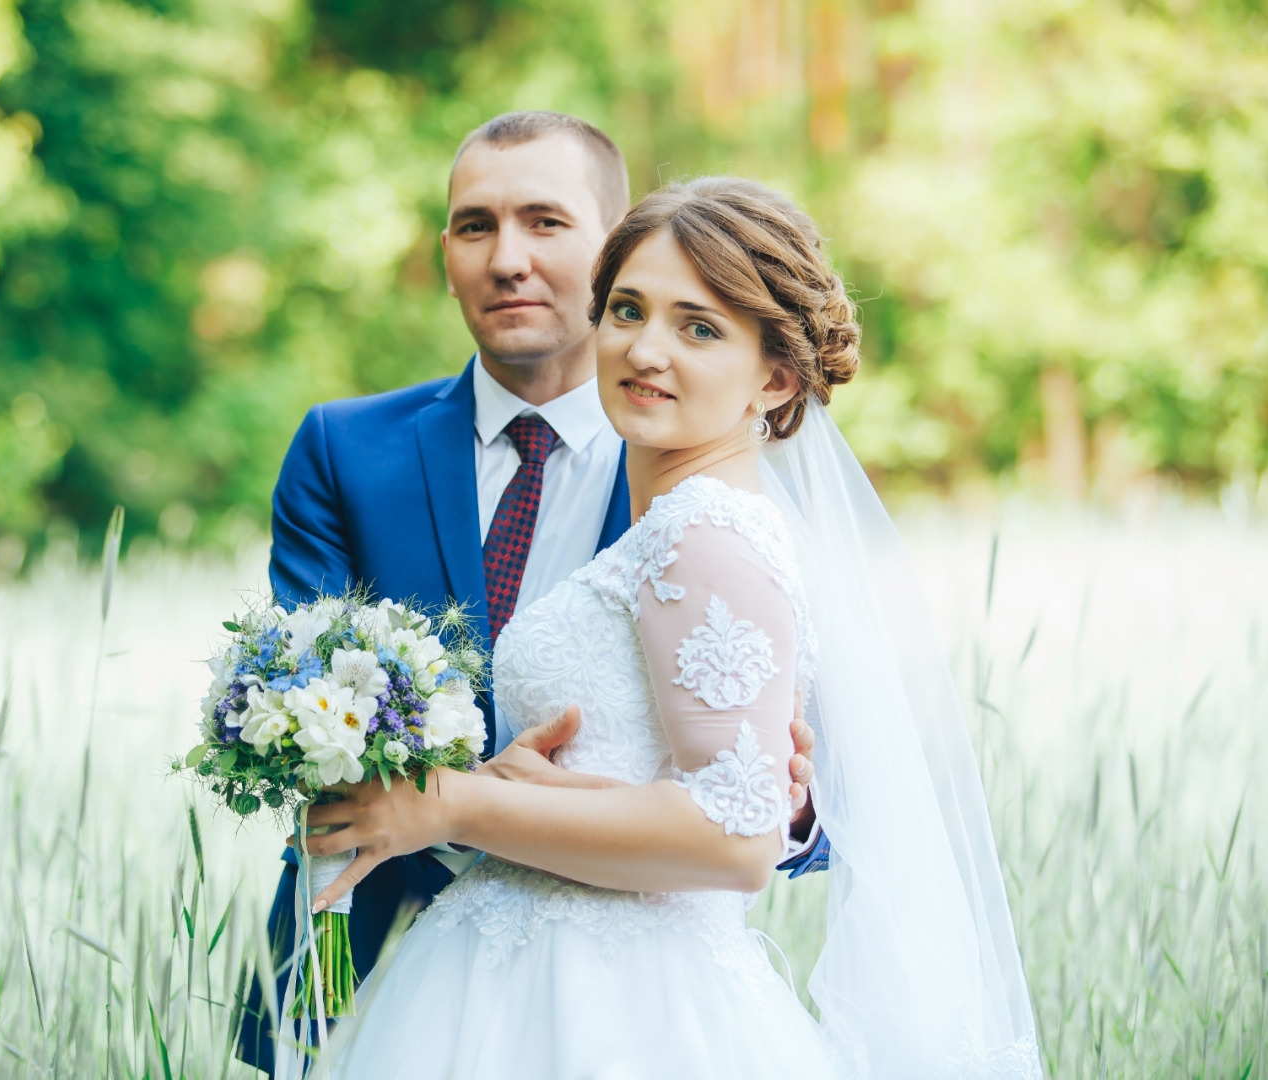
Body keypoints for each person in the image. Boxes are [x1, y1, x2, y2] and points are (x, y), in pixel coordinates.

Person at [296, 179, 1042, 1077]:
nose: (645, 349)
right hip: (528, 979)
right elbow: (685, 788)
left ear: (773, 374)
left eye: (698, 327)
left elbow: (734, 839)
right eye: (626, 310)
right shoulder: (692, 521)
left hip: (621, 1014)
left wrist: (456, 803)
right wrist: (514, 790)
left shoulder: (705, 532)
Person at [235, 113, 829, 1072]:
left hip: (624, 993)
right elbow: (297, 720)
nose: (507, 257)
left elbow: (763, 778)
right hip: (372, 956)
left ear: (609, 242)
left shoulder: (710, 499)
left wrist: (789, 806)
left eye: (546, 222)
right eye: (475, 226)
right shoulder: (343, 452)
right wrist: (465, 793)